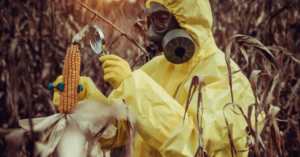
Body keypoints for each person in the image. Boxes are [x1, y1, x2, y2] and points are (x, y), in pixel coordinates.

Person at [53, 0, 264, 156]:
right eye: (152, 20)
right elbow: (115, 130)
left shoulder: (227, 77)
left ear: (190, 21)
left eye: (163, 20)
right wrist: (85, 99)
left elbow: (194, 145)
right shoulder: (155, 68)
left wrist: (134, 88)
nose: (153, 33)